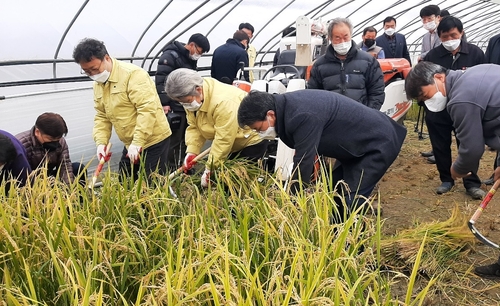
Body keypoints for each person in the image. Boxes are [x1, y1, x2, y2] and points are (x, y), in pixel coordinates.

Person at [237, 90, 406, 221]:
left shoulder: (301, 114)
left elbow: (304, 161)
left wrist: (290, 203)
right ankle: (335, 236)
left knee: (350, 200)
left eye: (258, 128)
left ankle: (354, 250)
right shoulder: (286, 108)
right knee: (335, 192)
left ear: (270, 115)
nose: (259, 133)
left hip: (376, 144)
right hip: (353, 147)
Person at [404, 61, 500, 278]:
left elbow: (472, 148)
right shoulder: (474, 74)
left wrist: (457, 170)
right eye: (422, 101)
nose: (428, 102)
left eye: (426, 95)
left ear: (438, 77)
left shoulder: (461, 99)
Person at [73, 38, 171, 181]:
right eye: (87, 72)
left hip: (153, 139)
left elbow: (147, 110)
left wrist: (138, 142)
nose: (93, 75)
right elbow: (102, 115)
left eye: (94, 69)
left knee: (151, 185)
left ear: (106, 58)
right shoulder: (98, 84)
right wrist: (101, 143)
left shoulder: (133, 75)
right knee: (125, 181)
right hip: (130, 142)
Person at [165, 68, 268, 187]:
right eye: (180, 102)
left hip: (250, 140)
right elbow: (194, 126)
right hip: (229, 142)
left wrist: (210, 168)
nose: (185, 105)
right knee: (223, 178)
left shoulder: (223, 102)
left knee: (238, 182)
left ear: (198, 89)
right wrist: (192, 151)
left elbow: (223, 139)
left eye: (186, 101)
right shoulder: (194, 97)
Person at [421, 16, 486, 199]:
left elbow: (483, 79)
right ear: (439, 36)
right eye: (444, 37)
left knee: (467, 144)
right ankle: (446, 179)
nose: (449, 40)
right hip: (439, 110)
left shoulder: (475, 54)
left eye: (453, 35)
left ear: (461, 33)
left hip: (466, 110)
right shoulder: (432, 56)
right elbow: (422, 82)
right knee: (440, 145)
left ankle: (471, 183)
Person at [155, 33, 210, 171]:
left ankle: (185, 166)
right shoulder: (170, 56)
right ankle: (171, 169)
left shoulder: (189, 59)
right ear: (192, 45)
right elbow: (161, 80)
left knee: (187, 138)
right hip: (175, 106)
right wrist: (165, 103)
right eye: (199, 51)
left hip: (187, 106)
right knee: (174, 140)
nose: (199, 55)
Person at [307, 17, 385, 110]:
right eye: (337, 38)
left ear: (351, 35)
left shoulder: (368, 61)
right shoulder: (319, 65)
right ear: (330, 38)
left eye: (345, 37)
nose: (342, 42)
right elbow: (314, 95)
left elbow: (377, 91)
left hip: (361, 118)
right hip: (332, 120)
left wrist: (369, 113)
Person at [16, 112, 86, 185]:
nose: (54, 142)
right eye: (50, 139)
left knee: (77, 168)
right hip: (27, 181)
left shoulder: (60, 141)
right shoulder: (21, 144)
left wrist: (69, 189)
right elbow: (20, 174)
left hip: (48, 177)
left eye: (57, 139)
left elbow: (64, 166)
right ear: (37, 132)